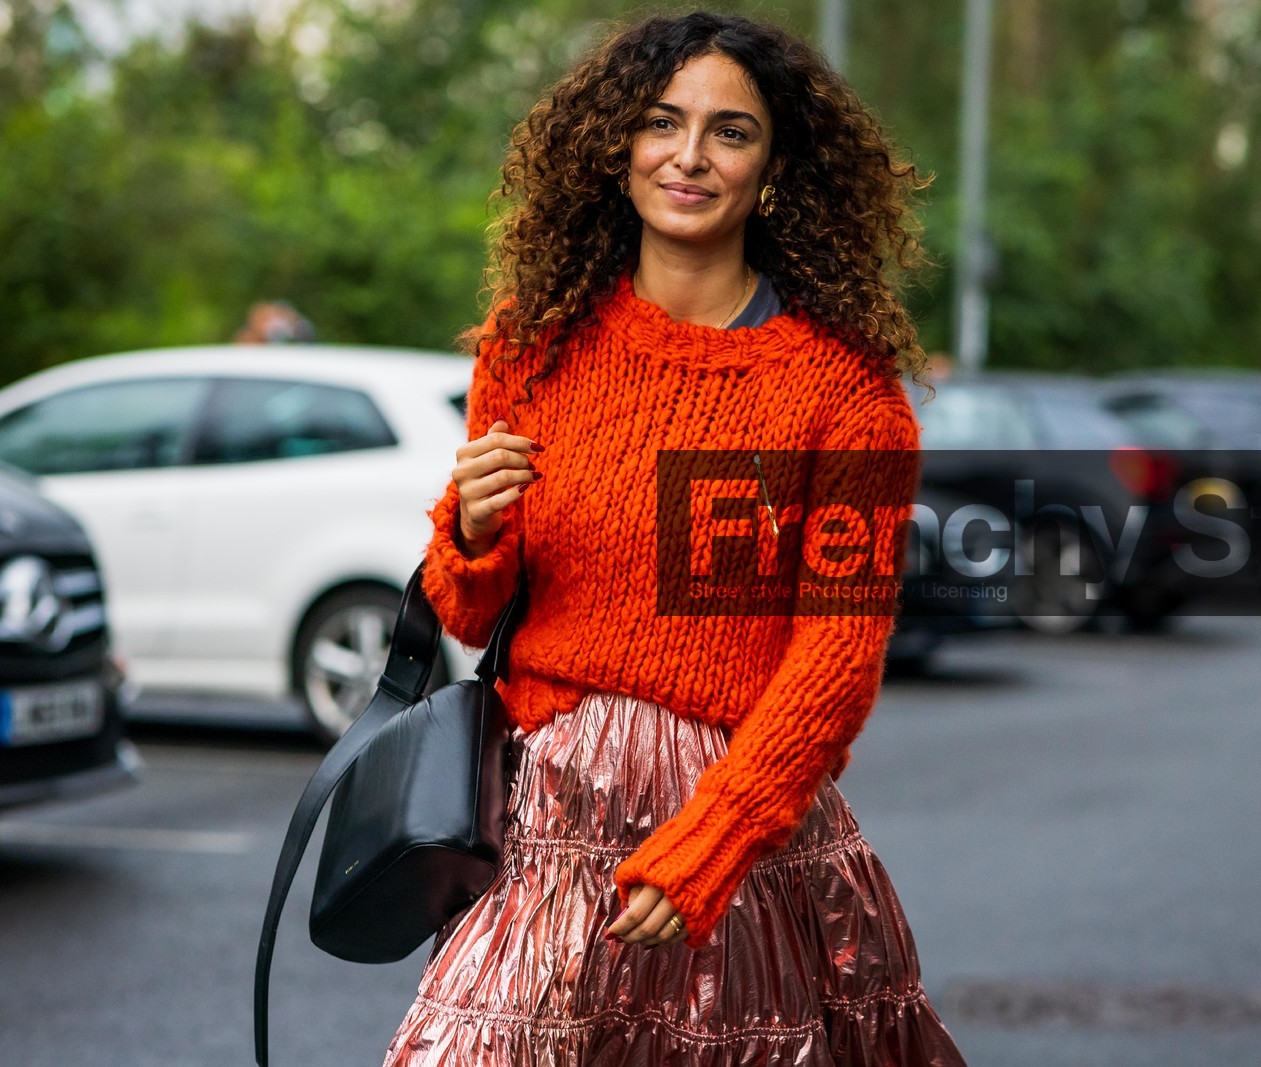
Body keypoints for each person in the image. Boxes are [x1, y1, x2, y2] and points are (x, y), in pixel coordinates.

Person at [384, 11, 967, 1065]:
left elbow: (834, 657)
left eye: (730, 131)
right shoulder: (534, 343)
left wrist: (717, 839)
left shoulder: (845, 393)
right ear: (617, 148)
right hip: (545, 823)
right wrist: (468, 527)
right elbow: (471, 614)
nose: (689, 155)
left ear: (774, 165)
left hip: (735, 837)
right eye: (662, 122)